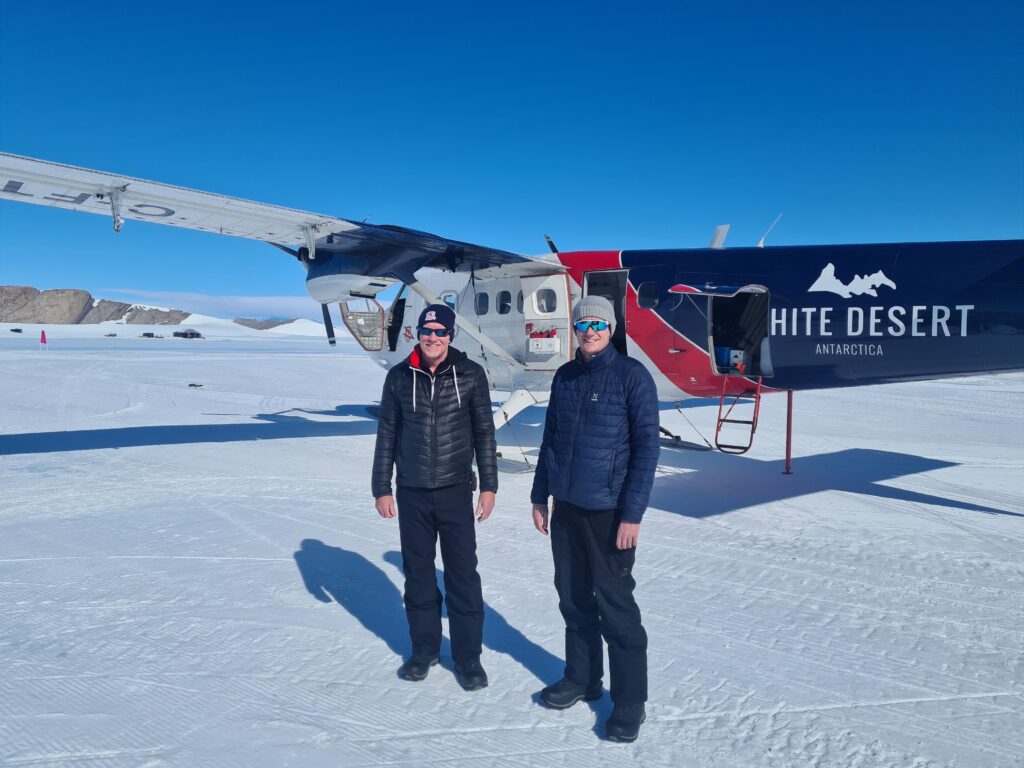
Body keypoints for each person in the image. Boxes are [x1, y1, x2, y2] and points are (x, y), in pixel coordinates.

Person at [530, 294, 660, 742]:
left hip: (610, 516)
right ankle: (582, 679)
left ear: (611, 329)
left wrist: (632, 515)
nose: (590, 332)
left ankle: (629, 702)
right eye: (583, 325)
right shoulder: (565, 376)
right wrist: (539, 494)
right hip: (566, 509)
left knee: (617, 607)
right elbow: (550, 439)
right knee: (572, 600)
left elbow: (647, 452)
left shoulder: (632, 377)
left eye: (598, 325)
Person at [372, 303, 498, 691]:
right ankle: (424, 650)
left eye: (440, 332)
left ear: (450, 336)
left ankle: (468, 657)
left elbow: (484, 435)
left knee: (462, 576)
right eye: (427, 332)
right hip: (411, 493)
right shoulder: (398, 377)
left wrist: (490, 486)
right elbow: (387, 435)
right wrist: (382, 487)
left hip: (455, 491)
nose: (433, 338)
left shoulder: (471, 375)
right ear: (417, 334)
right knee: (419, 576)